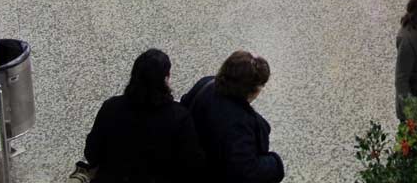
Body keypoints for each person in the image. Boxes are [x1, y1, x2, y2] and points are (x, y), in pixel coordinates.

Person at [83, 49, 204, 182]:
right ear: (166, 78)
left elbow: (91, 153)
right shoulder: (179, 117)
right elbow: (192, 165)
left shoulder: (110, 107)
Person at [182, 51, 284, 183]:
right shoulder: (240, 125)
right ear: (253, 90)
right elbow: (246, 171)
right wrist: (274, 163)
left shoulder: (205, 84)